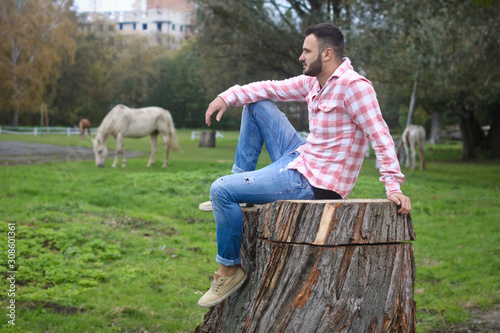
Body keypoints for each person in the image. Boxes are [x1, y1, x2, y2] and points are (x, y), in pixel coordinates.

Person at [197, 23, 411, 308]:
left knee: (220, 190)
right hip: (302, 158)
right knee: (256, 104)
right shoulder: (314, 81)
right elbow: (270, 87)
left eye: (306, 51)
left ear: (327, 54)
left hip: (314, 184)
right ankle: (242, 188)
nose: (301, 56)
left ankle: (228, 271)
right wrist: (227, 96)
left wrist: (393, 186)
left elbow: (381, 137)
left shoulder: (355, 88)